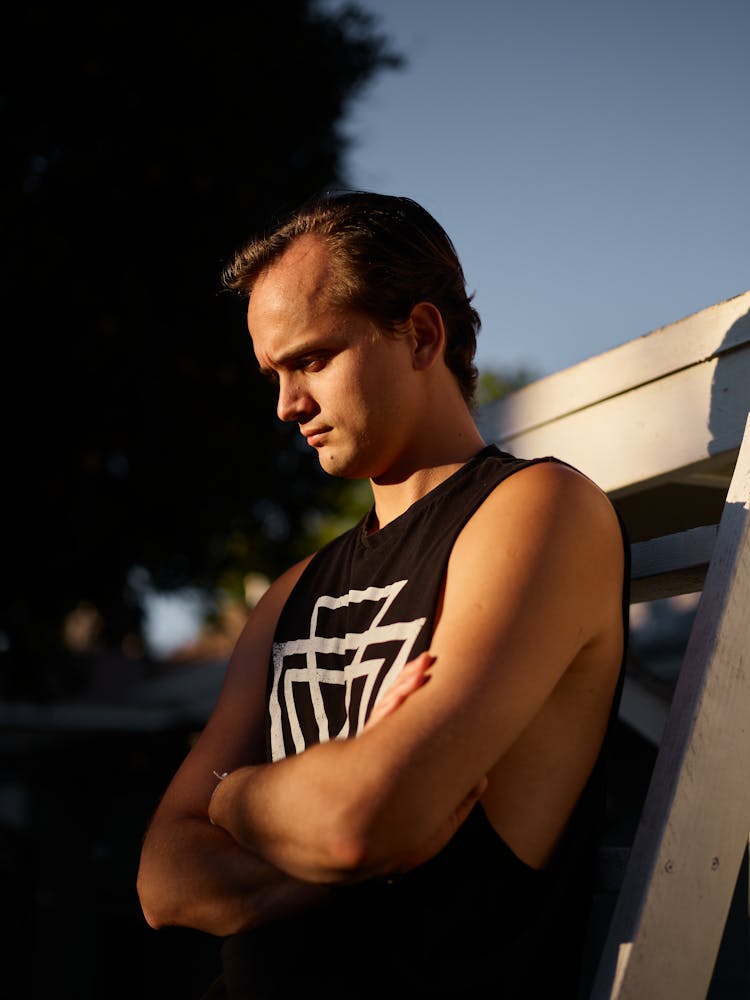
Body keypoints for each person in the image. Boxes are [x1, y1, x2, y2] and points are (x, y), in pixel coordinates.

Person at [136, 191, 628, 999]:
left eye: (313, 360)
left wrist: (228, 800)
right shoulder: (291, 592)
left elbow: (365, 820)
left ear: (423, 335)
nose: (287, 405)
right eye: (274, 373)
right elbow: (163, 879)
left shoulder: (539, 511)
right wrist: (317, 841)